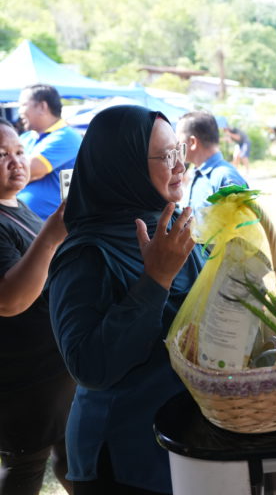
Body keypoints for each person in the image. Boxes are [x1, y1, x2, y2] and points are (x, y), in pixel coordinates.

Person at [47, 106, 203, 494]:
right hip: (121, 457)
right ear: (123, 164)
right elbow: (89, 367)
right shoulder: (85, 254)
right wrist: (156, 280)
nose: (180, 165)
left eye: (180, 150)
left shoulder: (172, 225)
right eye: (166, 156)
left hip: (184, 443)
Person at [0, 119, 74, 495]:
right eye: (1, 155)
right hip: (24, 378)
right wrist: (51, 237)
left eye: (19, 151)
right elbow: (10, 300)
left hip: (52, 368)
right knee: (26, 464)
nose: (16, 161)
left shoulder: (19, 207)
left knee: (70, 453)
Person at [16, 84, 81, 220]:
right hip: (21, 220)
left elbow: (29, 170)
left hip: (47, 225)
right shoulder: (25, 137)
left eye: (23, 105)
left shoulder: (67, 137)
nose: (19, 111)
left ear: (42, 107)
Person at [175, 111, 248, 211]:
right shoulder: (197, 173)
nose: (176, 145)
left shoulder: (227, 179)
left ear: (192, 142)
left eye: (178, 139)